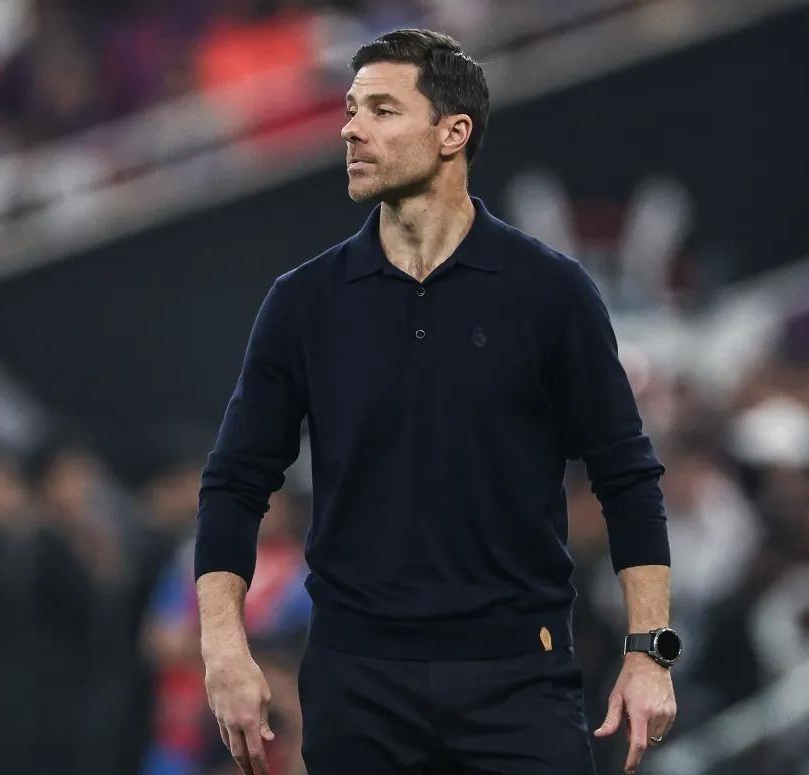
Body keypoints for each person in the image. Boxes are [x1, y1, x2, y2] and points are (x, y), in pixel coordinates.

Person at [194, 28, 679, 775]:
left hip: (520, 679)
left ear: (453, 133)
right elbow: (234, 482)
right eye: (350, 110)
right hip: (357, 686)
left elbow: (628, 476)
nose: (351, 129)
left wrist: (650, 651)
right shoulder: (304, 302)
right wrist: (224, 649)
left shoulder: (549, 292)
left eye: (382, 110)